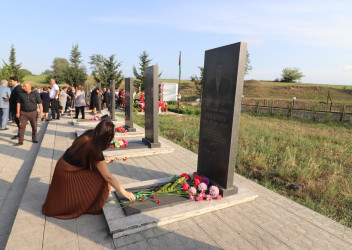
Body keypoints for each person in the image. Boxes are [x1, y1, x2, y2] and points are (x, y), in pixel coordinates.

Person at [42, 119, 136, 219]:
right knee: (100, 178)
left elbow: (85, 156)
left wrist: (105, 160)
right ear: (107, 138)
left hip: (62, 166)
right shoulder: (96, 149)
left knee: (98, 172)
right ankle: (90, 203)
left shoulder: (89, 134)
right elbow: (108, 177)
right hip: (68, 173)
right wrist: (125, 193)